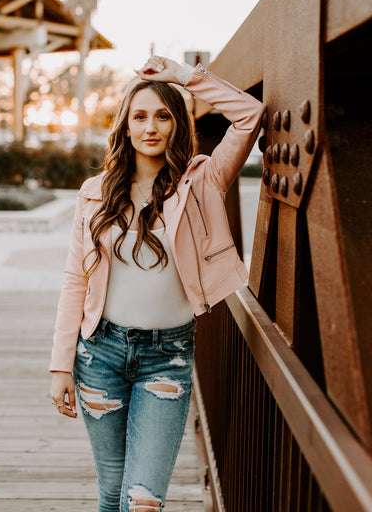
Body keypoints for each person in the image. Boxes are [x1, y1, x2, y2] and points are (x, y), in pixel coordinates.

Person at [50, 56, 265, 512]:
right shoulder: (95, 192)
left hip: (166, 358)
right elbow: (75, 280)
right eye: (140, 115)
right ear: (125, 126)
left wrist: (184, 76)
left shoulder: (203, 182)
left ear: (177, 125)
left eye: (163, 115)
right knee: (112, 491)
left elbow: (249, 114)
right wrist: (59, 366)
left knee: (144, 500)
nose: (151, 126)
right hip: (99, 355)